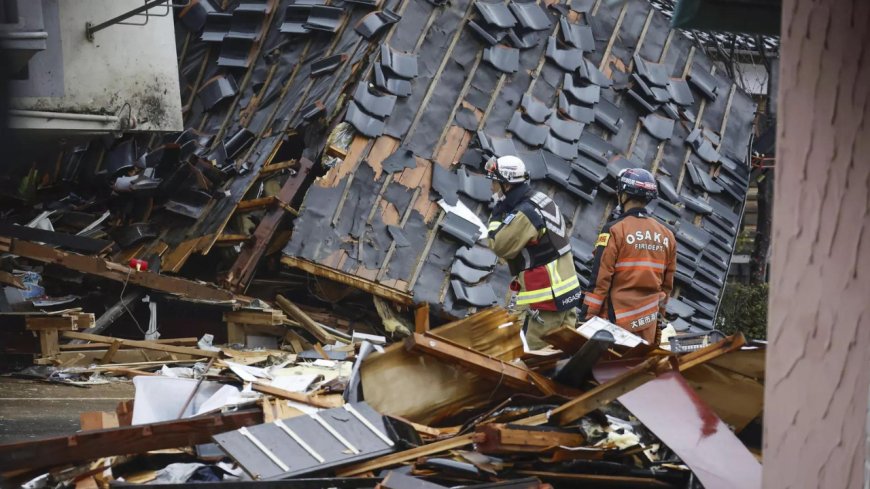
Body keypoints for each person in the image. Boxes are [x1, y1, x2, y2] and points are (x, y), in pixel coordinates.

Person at [485, 155, 582, 349]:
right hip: (566, 296)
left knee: (532, 359)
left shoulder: (525, 213)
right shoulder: (542, 200)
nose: (492, 188)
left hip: (544, 302)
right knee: (560, 354)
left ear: (507, 184)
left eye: (495, 182)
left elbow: (498, 244)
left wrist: (496, 215)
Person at [581, 168, 677, 344]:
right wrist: (658, 319)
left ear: (623, 195)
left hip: (615, 325)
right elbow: (666, 287)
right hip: (647, 324)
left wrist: (586, 318)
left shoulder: (615, 230)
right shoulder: (667, 235)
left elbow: (600, 280)